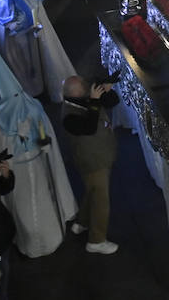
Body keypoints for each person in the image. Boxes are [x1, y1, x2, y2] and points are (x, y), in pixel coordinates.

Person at [62, 75, 120, 254]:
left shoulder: (83, 100)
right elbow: (89, 126)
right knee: (101, 201)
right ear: (75, 94)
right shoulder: (69, 116)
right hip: (93, 162)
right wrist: (94, 100)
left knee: (92, 192)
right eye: (84, 89)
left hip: (100, 157)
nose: (89, 89)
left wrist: (107, 92)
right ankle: (96, 240)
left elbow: (112, 102)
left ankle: (82, 222)